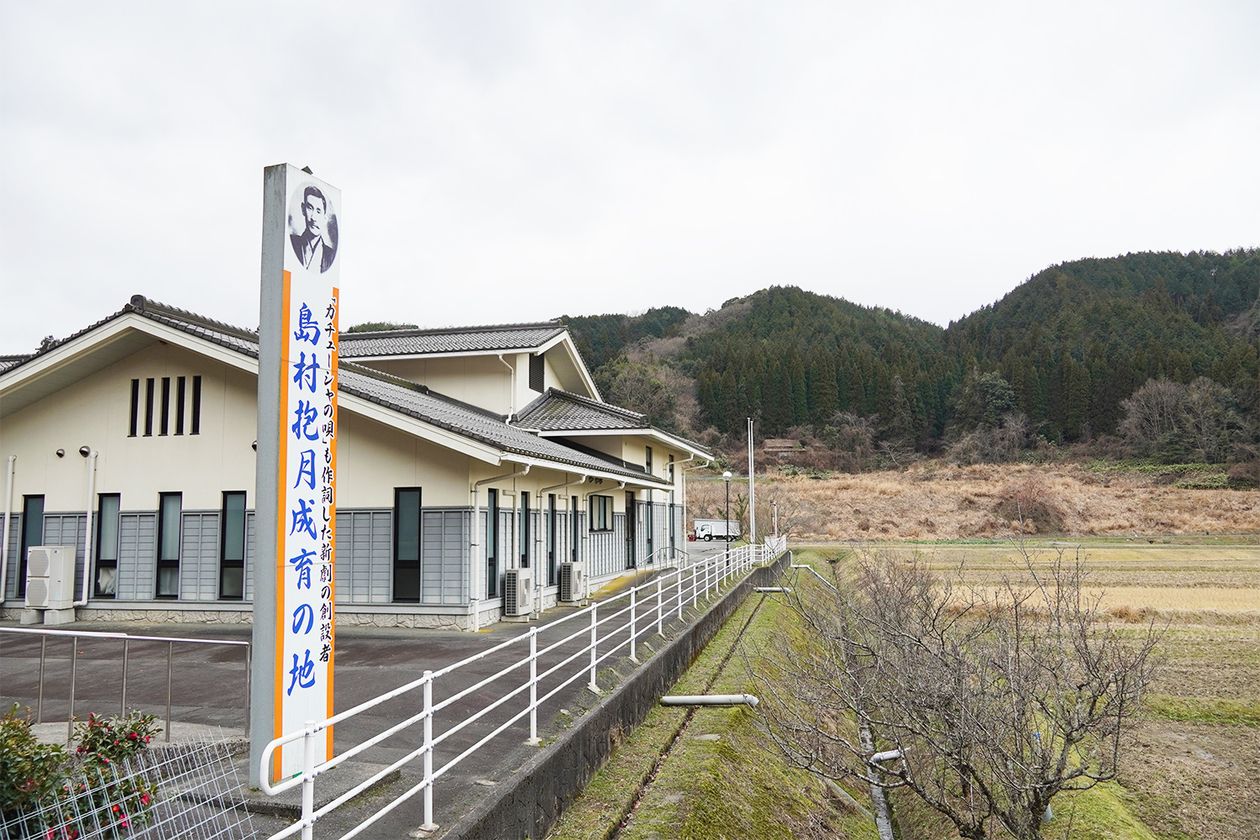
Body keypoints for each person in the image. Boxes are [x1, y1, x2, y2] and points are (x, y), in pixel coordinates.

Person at [290, 185, 338, 273]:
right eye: (310, 208)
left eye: (318, 211)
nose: (313, 218)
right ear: (303, 209)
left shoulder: (330, 255)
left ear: (325, 218)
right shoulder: (292, 243)